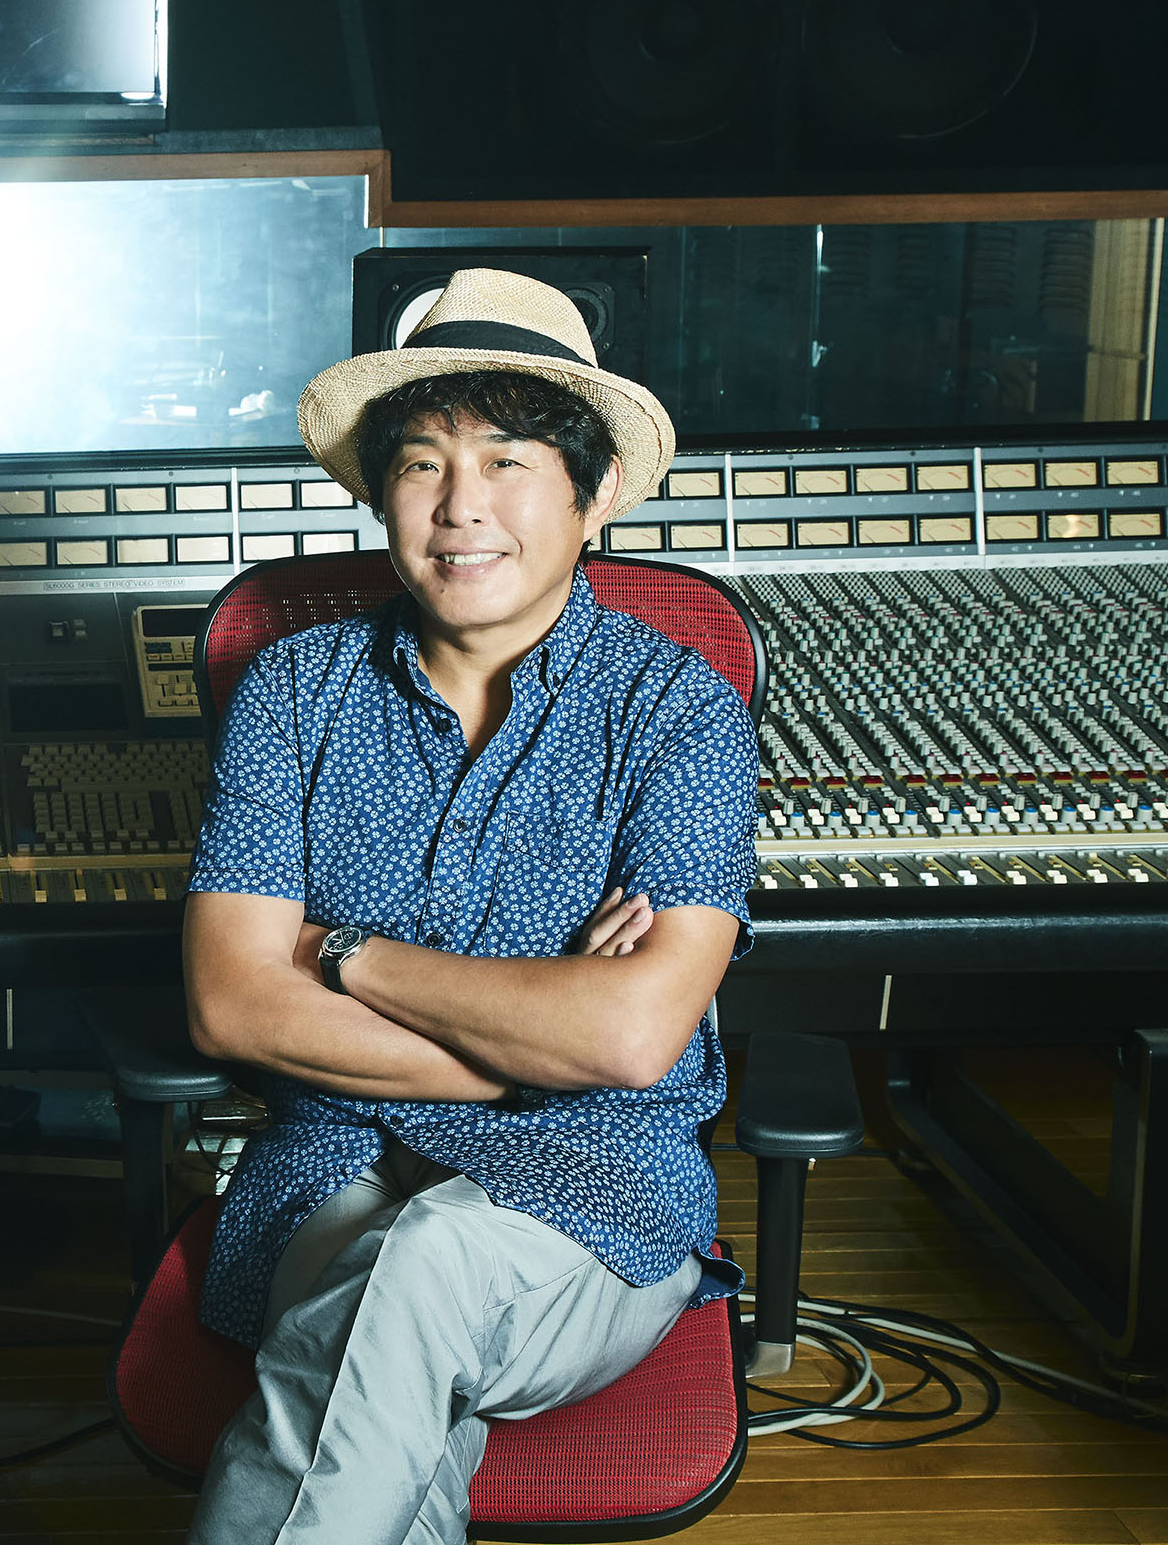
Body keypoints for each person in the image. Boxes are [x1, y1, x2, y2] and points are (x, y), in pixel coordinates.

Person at [180, 269, 758, 1544]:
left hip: (596, 1189)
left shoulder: (679, 713)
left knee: (421, 1266)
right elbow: (229, 1003)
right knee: (388, 1338)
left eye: (506, 461)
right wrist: (523, 1045)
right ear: (375, 491)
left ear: (595, 494)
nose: (459, 507)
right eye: (422, 464)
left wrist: (342, 953)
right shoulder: (293, 690)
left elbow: (626, 1041)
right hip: (330, 1170)